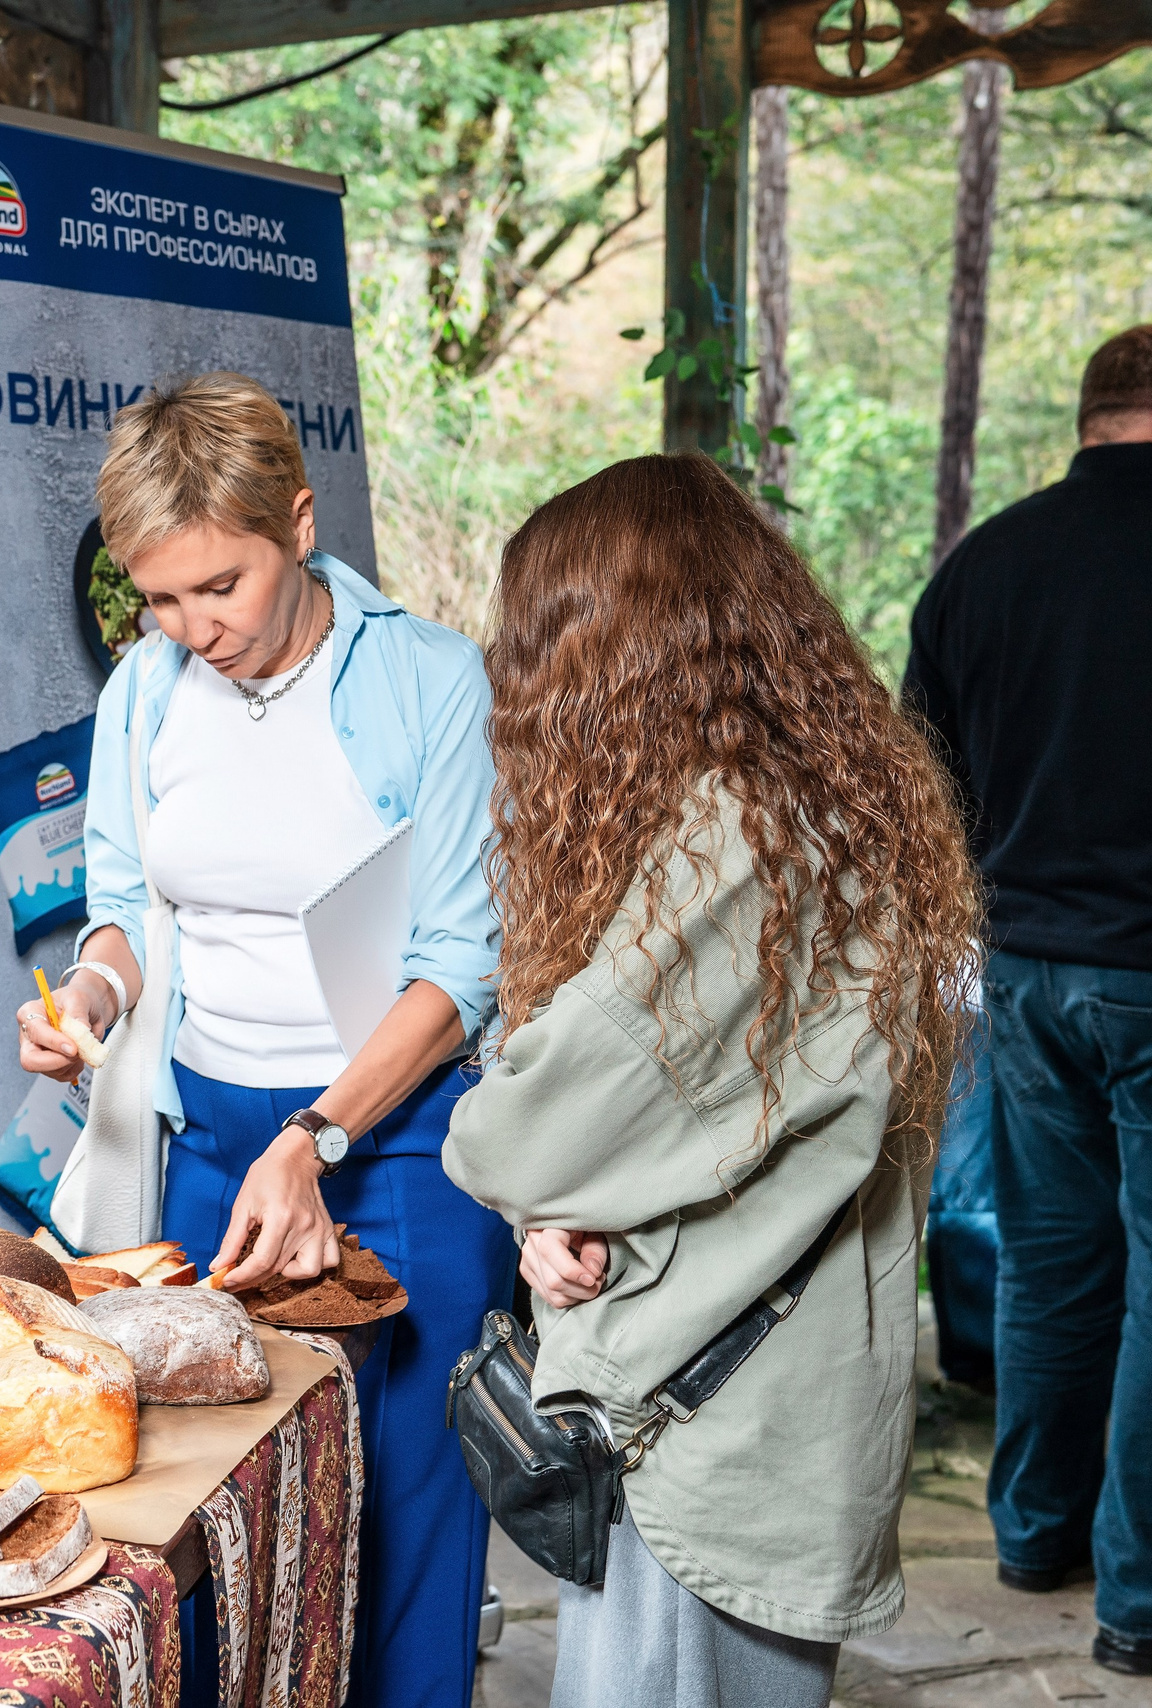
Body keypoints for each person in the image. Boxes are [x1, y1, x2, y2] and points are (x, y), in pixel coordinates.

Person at [444, 453, 981, 1708]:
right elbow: (686, 1122)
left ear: (609, 652)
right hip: (768, 1421)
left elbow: (522, 1126)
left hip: (703, 1451)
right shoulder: (829, 805)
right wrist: (554, 1211)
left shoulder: (733, 846)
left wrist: (525, 1171)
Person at [16, 373, 503, 1708]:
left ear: (295, 523)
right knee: (219, 1510)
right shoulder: (144, 689)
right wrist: (92, 1007)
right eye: (158, 598)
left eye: (219, 586)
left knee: (404, 1509)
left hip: (395, 1143)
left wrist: (319, 1135)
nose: (192, 628)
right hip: (213, 1146)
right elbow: (123, 909)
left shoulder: (432, 680)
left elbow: (463, 965)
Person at [902, 323, 1152, 1677]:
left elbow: (918, 789)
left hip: (1024, 973)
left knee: (1057, 1262)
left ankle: (1034, 1529)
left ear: (1092, 414)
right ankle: (1142, 1595)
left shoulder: (982, 565)